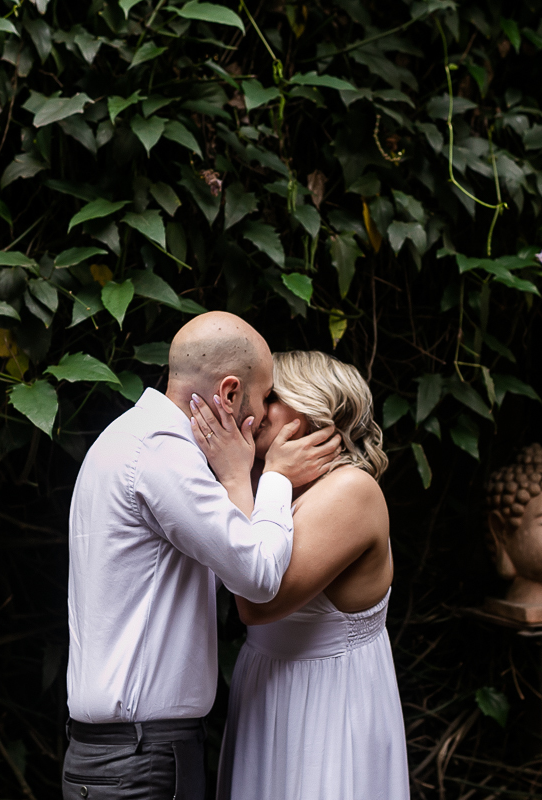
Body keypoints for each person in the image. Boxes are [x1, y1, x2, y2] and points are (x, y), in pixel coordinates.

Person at [64, 312, 342, 800]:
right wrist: (273, 476)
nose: (264, 414)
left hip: (118, 752)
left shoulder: (127, 438)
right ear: (231, 393)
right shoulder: (162, 454)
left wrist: (238, 479)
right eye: (264, 396)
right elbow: (257, 577)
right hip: (140, 756)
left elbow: (208, 572)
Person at [190, 350, 411, 800]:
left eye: (270, 396)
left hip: (325, 707)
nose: (252, 406)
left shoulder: (351, 490)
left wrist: (238, 479)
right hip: (269, 693)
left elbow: (257, 602)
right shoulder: (279, 490)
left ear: (313, 408)